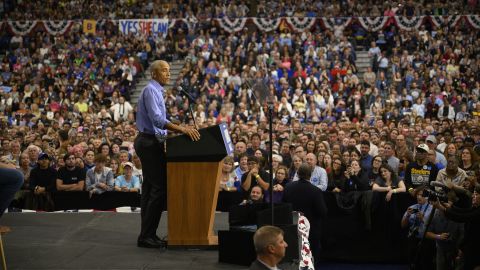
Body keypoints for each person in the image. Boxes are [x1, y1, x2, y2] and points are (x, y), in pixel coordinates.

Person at [134, 60, 200, 249]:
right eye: (164, 71)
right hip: (148, 142)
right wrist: (181, 130)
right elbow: (157, 119)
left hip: (150, 141)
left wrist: (180, 128)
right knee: (159, 188)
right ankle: (147, 235)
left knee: (149, 189)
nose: (168, 74)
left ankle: (146, 235)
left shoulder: (156, 91)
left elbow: (161, 120)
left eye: (169, 71)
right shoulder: (150, 90)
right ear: (154, 74)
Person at [283, 163, 327, 268]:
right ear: (310, 175)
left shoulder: (288, 187)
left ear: (297, 173)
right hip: (311, 229)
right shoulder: (315, 190)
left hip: (293, 227)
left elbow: (284, 206)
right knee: (312, 253)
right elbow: (323, 211)